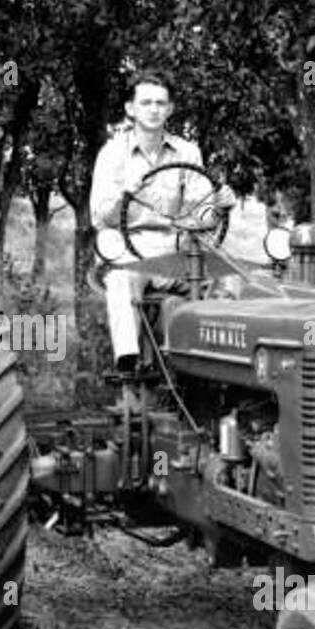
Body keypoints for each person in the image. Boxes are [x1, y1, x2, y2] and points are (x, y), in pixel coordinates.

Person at [90, 69, 226, 406]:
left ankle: (215, 372)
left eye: (160, 103)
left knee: (226, 285)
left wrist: (219, 207)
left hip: (175, 250)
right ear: (130, 108)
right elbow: (101, 216)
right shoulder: (112, 153)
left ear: (170, 109)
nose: (153, 109)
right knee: (123, 279)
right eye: (146, 102)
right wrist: (126, 195)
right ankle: (130, 363)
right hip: (129, 249)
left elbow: (202, 213)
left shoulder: (187, 151)